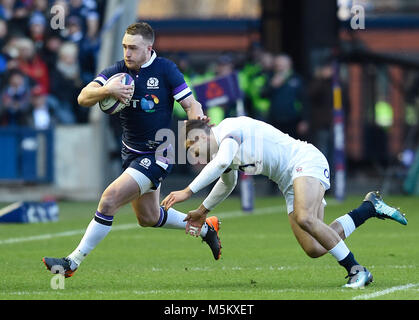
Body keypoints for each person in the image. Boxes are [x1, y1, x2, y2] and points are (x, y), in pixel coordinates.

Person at [42, 22, 222, 278]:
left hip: (159, 153)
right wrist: (108, 89)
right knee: (148, 217)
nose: (127, 53)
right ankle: (206, 229)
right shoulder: (118, 72)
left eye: (133, 48)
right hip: (132, 153)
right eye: (125, 46)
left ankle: (72, 262)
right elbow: (83, 97)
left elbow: (191, 104)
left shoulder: (166, 70)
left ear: (149, 49)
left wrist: (196, 125)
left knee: (109, 199)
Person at [161, 117, 408, 289]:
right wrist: (203, 210)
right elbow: (228, 182)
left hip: (304, 160)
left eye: (192, 148)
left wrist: (187, 191)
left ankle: (357, 270)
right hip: (288, 179)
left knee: (305, 218)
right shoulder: (222, 153)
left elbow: (222, 163)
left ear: (201, 135)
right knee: (315, 248)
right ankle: (369, 208)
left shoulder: (228, 130)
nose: (194, 157)